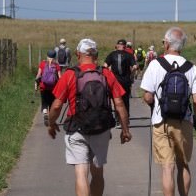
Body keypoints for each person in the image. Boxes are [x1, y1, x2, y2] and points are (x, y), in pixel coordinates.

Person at [47, 38, 132, 196]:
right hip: (101, 129)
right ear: (96, 55)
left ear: (78, 54)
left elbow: (57, 106)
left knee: (81, 173)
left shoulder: (70, 74)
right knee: (98, 174)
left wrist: (51, 124)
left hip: (76, 129)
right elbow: (119, 103)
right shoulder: (106, 74)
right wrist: (125, 129)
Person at [140, 27, 196, 196]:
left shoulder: (155, 65)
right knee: (183, 164)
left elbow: (147, 96)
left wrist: (154, 105)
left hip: (161, 121)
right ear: (181, 46)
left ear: (167, 44)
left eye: (163, 42)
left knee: (167, 167)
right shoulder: (192, 68)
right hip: (184, 121)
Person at [104, 39, 137, 121]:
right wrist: (131, 74)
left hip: (115, 81)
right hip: (126, 81)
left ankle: (118, 118)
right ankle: (126, 118)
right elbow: (135, 67)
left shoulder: (112, 54)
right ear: (125, 46)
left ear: (117, 45)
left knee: (116, 100)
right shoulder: (129, 55)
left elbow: (105, 66)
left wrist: (109, 74)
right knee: (125, 100)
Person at [35, 50, 62, 126]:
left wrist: (36, 84)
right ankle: (51, 118)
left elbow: (38, 75)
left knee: (44, 103)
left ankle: (45, 114)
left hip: (43, 87)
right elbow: (60, 77)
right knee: (52, 104)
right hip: (53, 88)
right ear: (55, 57)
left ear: (47, 56)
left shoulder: (43, 64)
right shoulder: (56, 65)